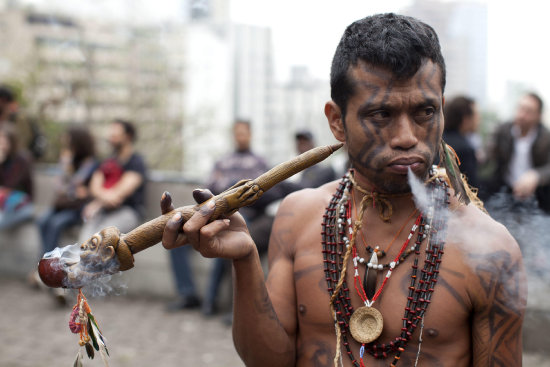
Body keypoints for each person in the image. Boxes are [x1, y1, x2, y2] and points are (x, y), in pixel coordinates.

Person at [161, 13, 525, 366]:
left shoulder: (491, 250)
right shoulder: (297, 217)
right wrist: (245, 261)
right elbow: (269, 361)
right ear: (337, 121)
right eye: (381, 115)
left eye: (424, 112)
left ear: (442, 110)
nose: (407, 137)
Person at [199, 120, 275, 316]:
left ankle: (213, 301)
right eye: (238, 133)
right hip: (221, 215)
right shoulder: (223, 161)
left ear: (250, 134)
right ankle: (219, 303)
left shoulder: (259, 162)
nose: (241, 137)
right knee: (222, 233)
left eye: (244, 133)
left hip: (248, 217)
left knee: (228, 237)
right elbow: (209, 189)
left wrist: (237, 195)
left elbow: (264, 192)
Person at [78, 119, 147, 243]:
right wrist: (101, 200)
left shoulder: (136, 162)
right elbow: (94, 186)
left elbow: (120, 193)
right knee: (84, 243)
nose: (111, 138)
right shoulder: (107, 161)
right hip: (103, 210)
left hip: (128, 211)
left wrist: (98, 202)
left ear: (128, 136)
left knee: (99, 241)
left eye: (115, 135)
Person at [484, 92, 550, 213]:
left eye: (529, 111)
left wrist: (536, 176)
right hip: (504, 191)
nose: (522, 115)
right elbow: (488, 153)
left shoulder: (546, 137)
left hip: (537, 196)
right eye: (521, 108)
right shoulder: (503, 130)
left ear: (539, 116)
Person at [37, 125, 97, 255]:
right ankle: (43, 259)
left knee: (55, 224)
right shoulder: (67, 159)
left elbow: (80, 184)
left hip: (77, 209)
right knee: (42, 221)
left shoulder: (90, 163)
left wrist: (73, 189)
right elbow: (59, 185)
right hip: (62, 204)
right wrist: (73, 190)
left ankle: (51, 261)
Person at [0, 125, 34, 230]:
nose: (1, 145)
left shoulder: (22, 160)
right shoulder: (3, 158)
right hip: (4, 206)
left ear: (12, 142)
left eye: (4, 142)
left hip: (22, 205)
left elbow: (10, 186)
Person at [442, 96, 480, 188]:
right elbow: (472, 191)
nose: (479, 120)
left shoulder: (438, 139)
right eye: (476, 115)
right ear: (465, 119)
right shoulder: (465, 149)